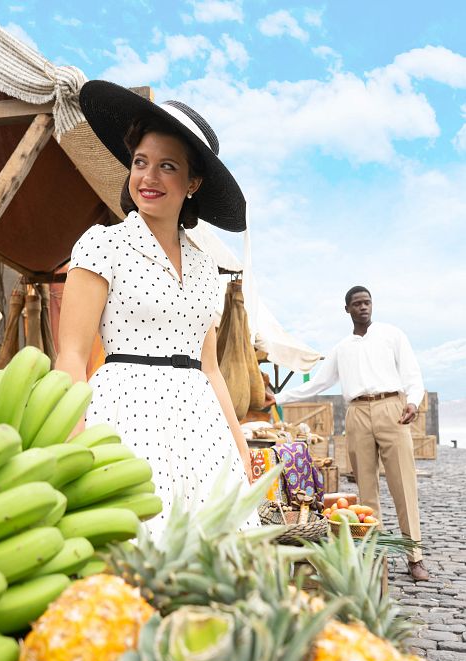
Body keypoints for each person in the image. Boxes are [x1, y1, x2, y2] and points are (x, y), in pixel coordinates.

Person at [55, 80, 257, 541]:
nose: (148, 177)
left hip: (201, 424)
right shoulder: (103, 244)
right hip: (125, 413)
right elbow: (71, 355)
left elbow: (210, 367)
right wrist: (73, 438)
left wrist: (239, 442)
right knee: (136, 546)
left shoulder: (206, 268)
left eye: (168, 166)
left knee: (216, 551)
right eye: (141, 162)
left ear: (193, 183)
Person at [275, 286, 429, 581]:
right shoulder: (341, 348)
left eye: (367, 302)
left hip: (392, 408)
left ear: (372, 305)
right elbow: (318, 384)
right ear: (347, 309)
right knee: (366, 490)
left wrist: (412, 401)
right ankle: (373, 556)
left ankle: (415, 558)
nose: (363, 307)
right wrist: (278, 398)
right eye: (357, 304)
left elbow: (412, 374)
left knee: (404, 486)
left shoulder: (392, 335)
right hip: (357, 412)